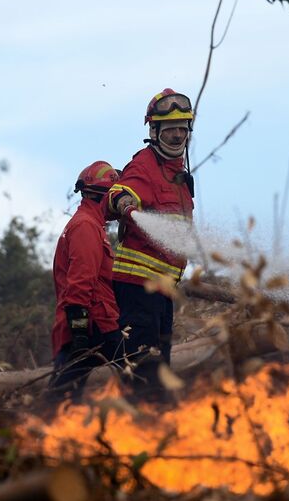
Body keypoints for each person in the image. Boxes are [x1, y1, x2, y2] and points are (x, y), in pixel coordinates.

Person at [107, 89, 195, 399]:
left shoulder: (178, 175)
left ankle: (151, 435)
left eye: (182, 127)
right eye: (169, 128)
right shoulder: (145, 165)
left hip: (160, 294)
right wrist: (124, 201)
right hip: (137, 292)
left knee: (157, 377)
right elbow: (119, 192)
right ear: (153, 131)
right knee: (145, 381)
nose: (176, 135)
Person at [48, 160, 123, 401]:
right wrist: (79, 332)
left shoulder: (90, 225)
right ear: (106, 197)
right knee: (60, 401)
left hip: (93, 327)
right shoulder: (86, 227)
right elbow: (81, 281)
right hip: (93, 328)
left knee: (64, 399)